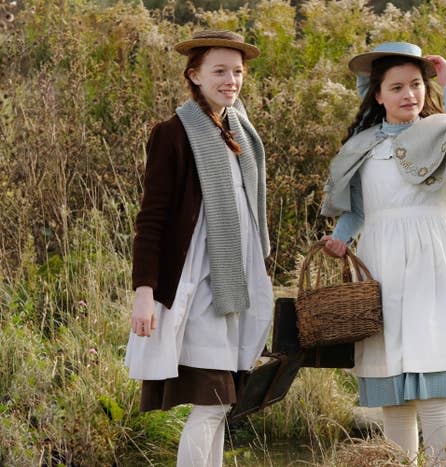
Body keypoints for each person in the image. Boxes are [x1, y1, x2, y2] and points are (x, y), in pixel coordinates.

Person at [320, 42, 446, 465]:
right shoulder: (363, 145)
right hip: (381, 264)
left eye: (417, 85)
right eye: (397, 87)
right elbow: (360, 209)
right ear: (378, 95)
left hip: (432, 260)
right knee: (393, 393)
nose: (410, 95)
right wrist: (340, 238)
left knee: (432, 385)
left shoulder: (440, 130)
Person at [124, 30, 273, 467]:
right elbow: (152, 218)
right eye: (220, 71)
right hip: (198, 285)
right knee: (212, 403)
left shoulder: (240, 132)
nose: (231, 80)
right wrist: (145, 291)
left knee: (222, 406)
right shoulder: (173, 134)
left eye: (238, 72)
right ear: (195, 75)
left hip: (236, 286)